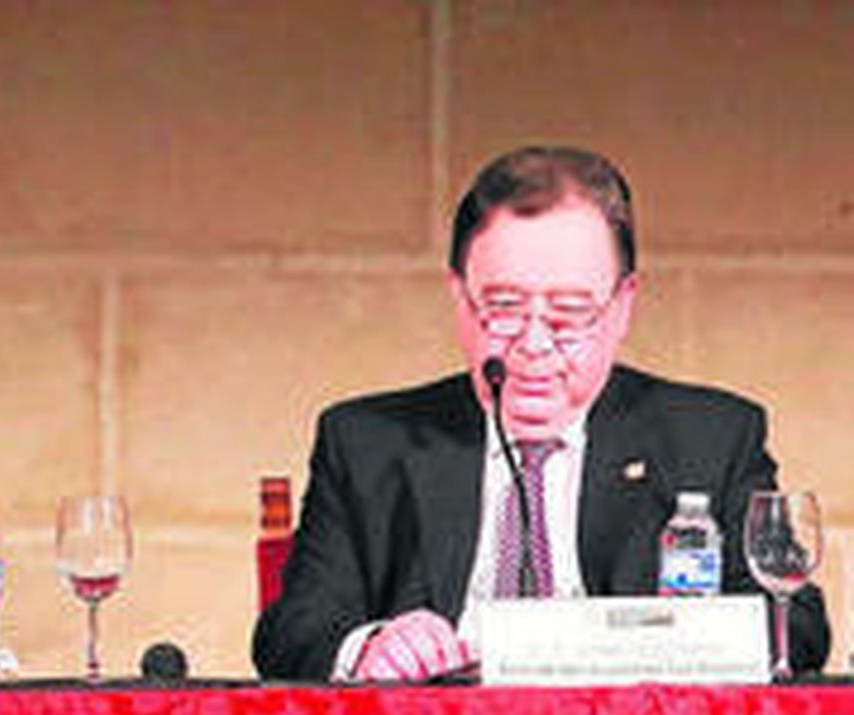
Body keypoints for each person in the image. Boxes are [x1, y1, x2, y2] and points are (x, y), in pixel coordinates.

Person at [254, 146, 830, 683]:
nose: (532, 343)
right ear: (459, 298)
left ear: (623, 304)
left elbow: (797, 625)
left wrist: (671, 641)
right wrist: (371, 644)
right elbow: (292, 630)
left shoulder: (711, 438)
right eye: (503, 308)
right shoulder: (367, 442)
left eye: (568, 313)